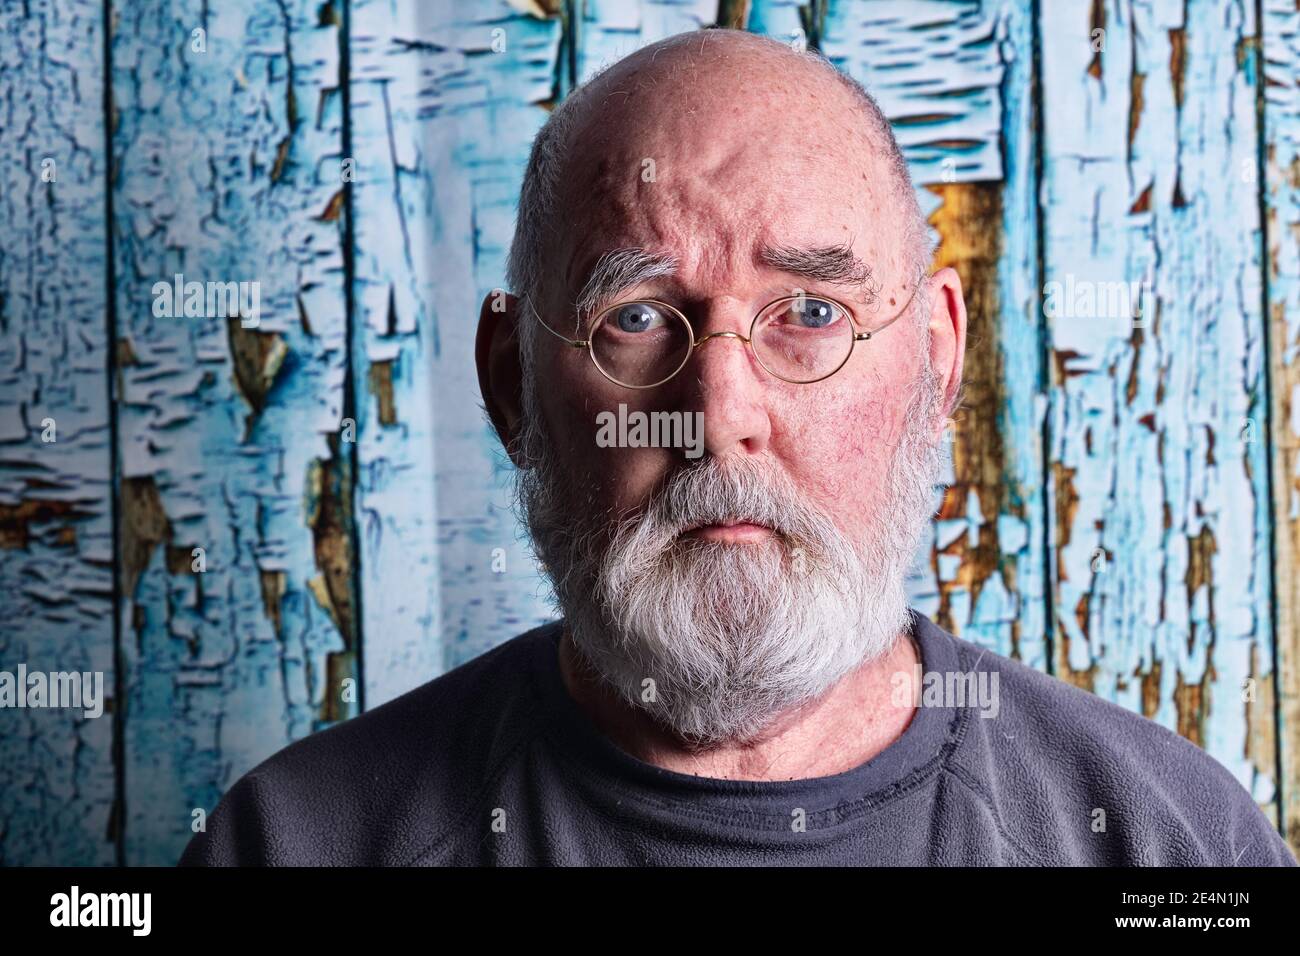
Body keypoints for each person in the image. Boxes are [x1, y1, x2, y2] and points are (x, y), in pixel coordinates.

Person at [180, 29, 1295, 866]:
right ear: (510, 384)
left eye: (809, 312)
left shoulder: (1168, 844)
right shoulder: (293, 845)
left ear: (937, 360)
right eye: (636, 317)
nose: (718, 414)